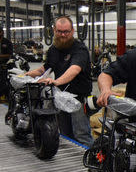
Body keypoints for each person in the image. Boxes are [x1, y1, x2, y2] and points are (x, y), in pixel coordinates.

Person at [25, 16, 93, 147]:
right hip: (61, 98)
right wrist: (26, 75)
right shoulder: (53, 49)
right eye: (60, 31)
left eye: (66, 31)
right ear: (54, 30)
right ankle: (72, 163)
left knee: (81, 135)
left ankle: (91, 163)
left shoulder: (80, 49)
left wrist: (56, 82)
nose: (63, 35)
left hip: (78, 99)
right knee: (65, 134)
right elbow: (45, 68)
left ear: (72, 31)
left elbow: (74, 69)